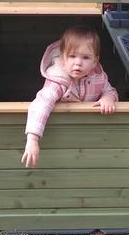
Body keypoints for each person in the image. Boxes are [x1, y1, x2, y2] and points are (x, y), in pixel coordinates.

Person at [21, 26, 118, 168]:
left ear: (95, 61)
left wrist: (108, 98)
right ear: (63, 57)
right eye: (72, 56)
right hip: (63, 139)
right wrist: (33, 139)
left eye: (85, 57)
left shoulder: (98, 77)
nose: (78, 62)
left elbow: (111, 90)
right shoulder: (58, 81)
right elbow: (41, 104)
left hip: (90, 138)